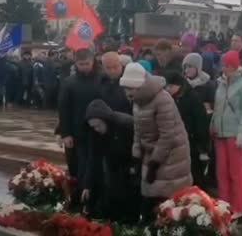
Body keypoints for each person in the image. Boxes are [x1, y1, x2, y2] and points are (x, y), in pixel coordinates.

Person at [119, 62, 192, 222]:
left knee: (165, 203)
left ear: (141, 85)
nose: (128, 92)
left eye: (131, 88)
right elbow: (138, 131)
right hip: (151, 155)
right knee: (150, 203)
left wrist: (154, 164)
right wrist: (136, 155)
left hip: (171, 156)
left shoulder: (162, 100)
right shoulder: (138, 100)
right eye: (126, 88)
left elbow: (168, 136)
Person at [58, 48, 103, 209]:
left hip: (98, 132)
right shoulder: (69, 82)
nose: (84, 67)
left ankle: (91, 201)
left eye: (87, 63)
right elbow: (64, 110)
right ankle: (76, 201)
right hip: (76, 134)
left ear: (93, 62)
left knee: (93, 168)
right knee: (76, 168)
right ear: (75, 63)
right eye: (80, 64)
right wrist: (65, 133)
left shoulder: (102, 79)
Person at [211, 51, 242, 219]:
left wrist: (241, 132)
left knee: (235, 172)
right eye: (223, 65)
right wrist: (213, 125)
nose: (224, 68)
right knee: (221, 171)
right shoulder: (221, 83)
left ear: (235, 66)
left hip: (234, 133)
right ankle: (224, 204)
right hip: (220, 133)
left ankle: (238, 207)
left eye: (227, 65)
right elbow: (217, 108)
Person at [83, 99, 139, 223]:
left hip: (132, 164)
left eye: (98, 125)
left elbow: (140, 146)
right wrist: (87, 185)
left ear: (105, 119)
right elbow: (93, 158)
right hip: (112, 163)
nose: (96, 129)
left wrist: (135, 166)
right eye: (93, 126)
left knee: (131, 196)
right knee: (112, 192)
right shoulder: (94, 132)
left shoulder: (126, 124)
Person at [165, 72, 210, 188]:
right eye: (167, 86)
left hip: (192, 141)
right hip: (177, 142)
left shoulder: (192, 97)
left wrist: (203, 147)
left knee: (195, 173)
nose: (168, 89)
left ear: (179, 85)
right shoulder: (172, 98)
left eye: (171, 86)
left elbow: (200, 121)